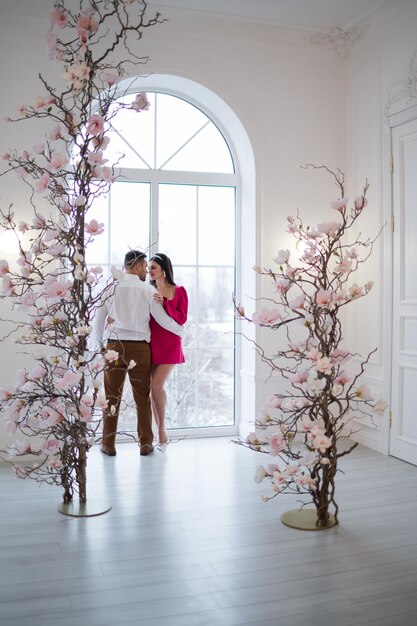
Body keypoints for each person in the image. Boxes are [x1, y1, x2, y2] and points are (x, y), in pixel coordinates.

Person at [90, 250, 184, 457]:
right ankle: (145, 444)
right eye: (145, 266)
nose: (146, 271)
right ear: (139, 266)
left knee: (112, 397)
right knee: (142, 397)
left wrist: (99, 345)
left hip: (114, 347)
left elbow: (98, 320)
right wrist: (180, 330)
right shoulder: (147, 291)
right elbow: (162, 320)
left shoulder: (110, 289)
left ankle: (108, 444)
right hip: (140, 349)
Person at [148, 253, 188, 447]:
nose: (150, 271)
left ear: (163, 269)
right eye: (149, 268)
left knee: (156, 385)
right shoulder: (148, 290)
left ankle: (162, 430)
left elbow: (182, 318)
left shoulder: (179, 290)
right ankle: (158, 430)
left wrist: (166, 304)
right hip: (151, 342)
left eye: (153, 267)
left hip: (171, 343)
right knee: (152, 389)